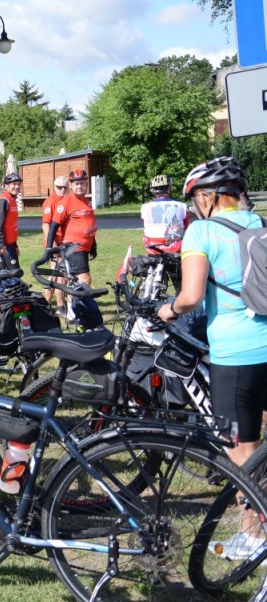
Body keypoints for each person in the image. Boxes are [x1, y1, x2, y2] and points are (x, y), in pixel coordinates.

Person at [157, 157, 267, 559]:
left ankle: (255, 537)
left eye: (194, 200)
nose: (192, 208)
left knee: (240, 452)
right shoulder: (260, 223)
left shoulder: (201, 232)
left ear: (208, 196)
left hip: (236, 355)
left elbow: (190, 297)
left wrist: (166, 311)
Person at [47, 168, 98, 286]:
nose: (79, 186)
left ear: (86, 184)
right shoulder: (66, 202)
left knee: (75, 282)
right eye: (76, 184)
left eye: (82, 183)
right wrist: (49, 249)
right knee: (84, 281)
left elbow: (88, 222)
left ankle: (73, 304)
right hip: (74, 249)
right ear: (70, 185)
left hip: (84, 248)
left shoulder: (86, 201)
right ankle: (78, 304)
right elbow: (53, 226)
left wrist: (93, 245)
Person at [141, 174, 190, 255]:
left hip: (152, 247)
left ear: (153, 191)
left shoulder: (145, 207)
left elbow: (145, 224)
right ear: (170, 189)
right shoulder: (181, 206)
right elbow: (185, 226)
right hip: (175, 247)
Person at [42, 176, 69, 312]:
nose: (62, 190)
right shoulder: (50, 202)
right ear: (54, 187)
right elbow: (46, 226)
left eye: (65, 187)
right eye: (59, 187)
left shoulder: (67, 200)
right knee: (56, 276)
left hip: (66, 244)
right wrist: (52, 246)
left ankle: (59, 306)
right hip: (55, 245)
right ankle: (52, 306)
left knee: (62, 276)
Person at [0, 172, 22, 265]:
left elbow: (11, 227)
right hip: (3, 245)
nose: (17, 187)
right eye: (14, 184)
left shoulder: (12, 199)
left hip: (10, 244)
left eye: (18, 184)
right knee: (10, 276)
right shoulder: (3, 200)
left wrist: (15, 245)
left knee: (15, 275)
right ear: (6, 186)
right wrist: (1, 245)